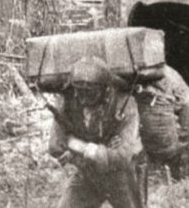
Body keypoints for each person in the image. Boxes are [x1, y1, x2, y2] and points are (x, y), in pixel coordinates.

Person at [48, 56, 145, 208]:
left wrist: (76, 145)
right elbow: (55, 146)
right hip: (87, 173)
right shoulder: (68, 102)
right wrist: (94, 151)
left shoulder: (125, 103)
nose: (83, 99)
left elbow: (123, 156)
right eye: (79, 92)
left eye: (90, 93)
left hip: (123, 175)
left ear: (106, 89)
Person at [137, 66, 189, 181]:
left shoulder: (165, 75)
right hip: (178, 106)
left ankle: (167, 169)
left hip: (169, 103)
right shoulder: (167, 73)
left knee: (164, 139)